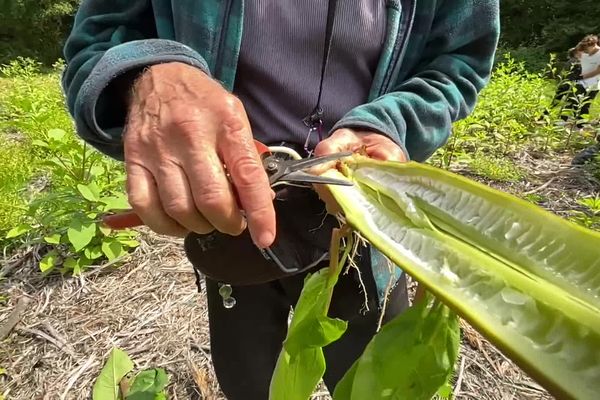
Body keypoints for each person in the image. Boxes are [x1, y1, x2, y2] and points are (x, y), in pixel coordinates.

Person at [62, 1, 500, 398]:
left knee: (379, 381)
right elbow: (97, 42)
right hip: (229, 223)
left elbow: (456, 64)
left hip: (361, 221)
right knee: (250, 380)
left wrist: (389, 124)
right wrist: (151, 76)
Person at [572, 34, 600, 165]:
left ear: (593, 45)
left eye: (587, 47)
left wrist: (584, 76)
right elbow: (576, 52)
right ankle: (575, 123)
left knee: (585, 105)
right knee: (576, 101)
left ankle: (581, 126)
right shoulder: (585, 53)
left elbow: (598, 70)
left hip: (593, 83)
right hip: (582, 82)